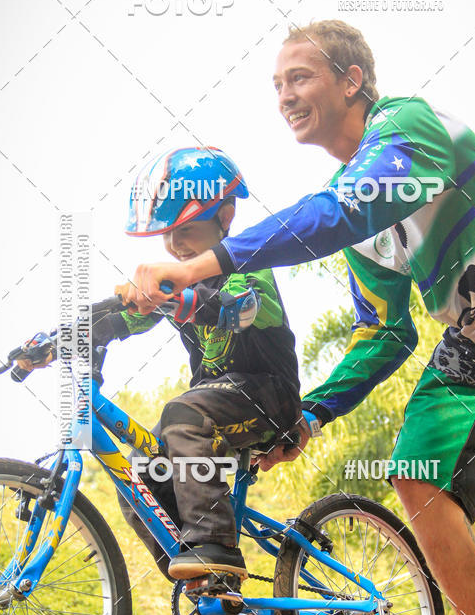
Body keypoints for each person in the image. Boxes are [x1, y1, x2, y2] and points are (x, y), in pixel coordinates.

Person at [125, 21, 475, 615]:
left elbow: (346, 209)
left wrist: (205, 264)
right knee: (417, 475)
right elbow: (385, 333)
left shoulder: (412, 128)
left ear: (353, 81)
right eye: (277, 84)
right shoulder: (364, 233)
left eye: (300, 77)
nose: (285, 95)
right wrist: (311, 415)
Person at [23, 146, 302, 588]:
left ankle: (216, 547)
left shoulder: (248, 262)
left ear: (225, 217)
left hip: (270, 396)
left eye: (186, 230)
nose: (175, 246)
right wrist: (58, 339)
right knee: (141, 475)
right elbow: (120, 318)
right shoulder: (176, 282)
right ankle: (201, 580)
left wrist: (181, 296)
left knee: (182, 416)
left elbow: (246, 309)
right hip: (215, 407)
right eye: (167, 237)